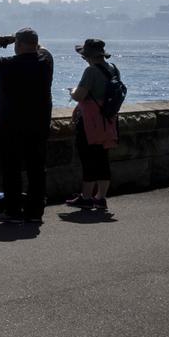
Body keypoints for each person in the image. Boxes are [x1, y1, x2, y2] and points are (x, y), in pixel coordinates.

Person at [0, 27, 54, 223]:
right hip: (39, 122)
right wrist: (15, 39)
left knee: (12, 168)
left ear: (17, 46)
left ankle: (13, 210)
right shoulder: (46, 60)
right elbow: (41, 48)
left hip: (12, 124)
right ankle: (35, 213)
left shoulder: (8, 63)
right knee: (37, 168)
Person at [64, 39, 119, 211]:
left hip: (90, 123)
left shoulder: (91, 71)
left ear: (86, 56)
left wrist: (72, 91)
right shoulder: (113, 68)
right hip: (108, 121)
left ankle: (86, 197)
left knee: (88, 159)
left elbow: (80, 95)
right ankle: (100, 198)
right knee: (102, 159)